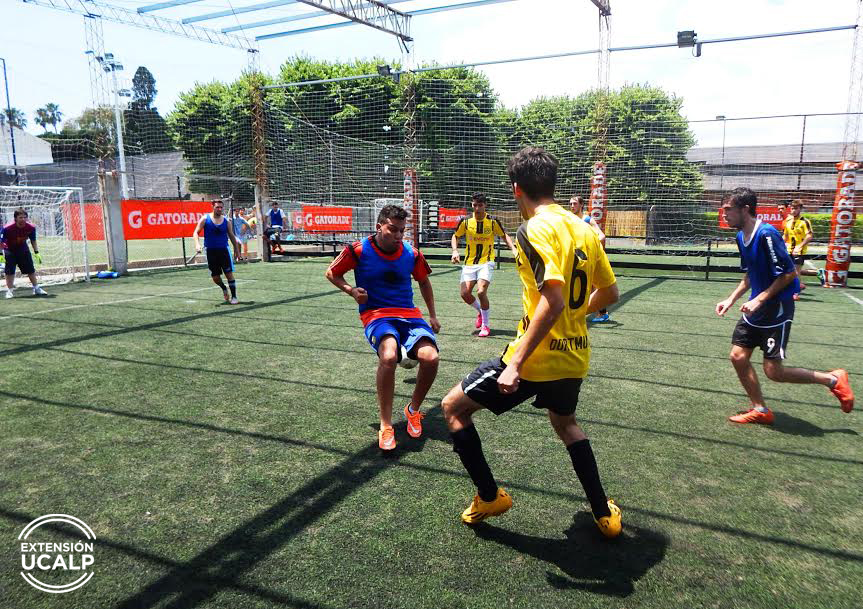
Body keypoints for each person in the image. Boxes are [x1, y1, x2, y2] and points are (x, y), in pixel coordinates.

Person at [441, 147, 622, 538]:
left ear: (517, 189)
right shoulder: (583, 229)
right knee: (567, 424)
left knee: (453, 408)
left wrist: (516, 363)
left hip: (534, 360)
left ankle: (489, 496)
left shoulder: (533, 230)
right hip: (574, 356)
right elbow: (609, 294)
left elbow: (553, 299)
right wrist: (576, 317)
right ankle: (604, 515)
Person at [715, 187, 853, 424]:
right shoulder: (740, 237)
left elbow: (789, 274)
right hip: (755, 307)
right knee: (738, 356)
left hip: (776, 307)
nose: (724, 214)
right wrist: (731, 299)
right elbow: (750, 274)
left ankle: (833, 379)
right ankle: (760, 410)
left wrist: (760, 299)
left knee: (774, 372)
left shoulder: (767, 234)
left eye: (728, 209)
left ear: (745, 209)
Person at [326, 204, 442, 452]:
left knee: (431, 357)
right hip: (376, 314)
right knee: (389, 355)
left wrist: (432, 315)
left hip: (409, 315)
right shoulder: (358, 249)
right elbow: (332, 273)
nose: (399, 236)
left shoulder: (411, 253)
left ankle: (413, 410)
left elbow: (423, 281)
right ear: (379, 226)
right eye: (393, 230)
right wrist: (351, 290)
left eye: (402, 231)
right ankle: (386, 424)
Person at [450, 192, 518, 337]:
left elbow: (504, 235)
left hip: (486, 261)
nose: (477, 208)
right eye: (474, 205)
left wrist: (513, 249)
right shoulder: (466, 221)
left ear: (485, 205)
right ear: (472, 205)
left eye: (480, 205)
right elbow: (455, 236)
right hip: (469, 262)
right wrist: (455, 251)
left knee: (481, 292)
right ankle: (481, 311)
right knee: (465, 294)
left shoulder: (492, 221)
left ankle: (485, 326)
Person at [570, 195, 611, 323]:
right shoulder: (569, 219)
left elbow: (601, 236)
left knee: (593, 285)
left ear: (581, 205)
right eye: (570, 203)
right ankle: (598, 312)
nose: (572, 206)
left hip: (586, 256)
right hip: (574, 256)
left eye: (575, 203)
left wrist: (593, 249)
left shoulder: (587, 219)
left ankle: (602, 313)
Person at [193, 199, 241, 305]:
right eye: (217, 207)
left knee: (229, 274)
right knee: (215, 277)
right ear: (212, 207)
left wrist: (237, 250)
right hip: (210, 251)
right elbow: (196, 232)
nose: (219, 209)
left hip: (224, 250)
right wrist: (197, 244)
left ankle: (234, 297)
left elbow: (232, 236)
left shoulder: (226, 221)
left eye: (221, 207)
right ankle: (224, 288)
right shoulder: (205, 219)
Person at [2, 208, 48, 299]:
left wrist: (36, 252)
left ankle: (36, 288)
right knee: (10, 272)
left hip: (23, 250)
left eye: (25, 217)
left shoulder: (31, 227)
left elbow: (33, 240)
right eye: (20, 217)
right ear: (15, 218)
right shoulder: (7, 228)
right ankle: (9, 291)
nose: (23, 219)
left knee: (31, 270)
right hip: (9, 251)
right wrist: (0, 254)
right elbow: (1, 241)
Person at [782, 199, 824, 295]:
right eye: (792, 208)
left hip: (799, 252)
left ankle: (795, 292)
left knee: (796, 272)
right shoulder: (788, 221)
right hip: (788, 250)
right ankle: (792, 288)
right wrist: (778, 244)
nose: (793, 210)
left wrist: (800, 246)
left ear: (800, 209)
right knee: (786, 271)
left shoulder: (805, 222)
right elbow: (785, 236)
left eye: (796, 208)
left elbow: (809, 235)